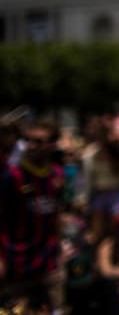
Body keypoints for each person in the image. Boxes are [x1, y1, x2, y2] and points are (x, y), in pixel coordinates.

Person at [0, 119, 68, 313]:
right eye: (29, 140)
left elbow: (57, 213)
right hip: (16, 260)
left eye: (38, 141)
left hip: (48, 260)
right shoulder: (12, 176)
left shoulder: (56, 175)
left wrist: (60, 247)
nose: (31, 146)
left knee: (56, 308)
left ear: (52, 145)